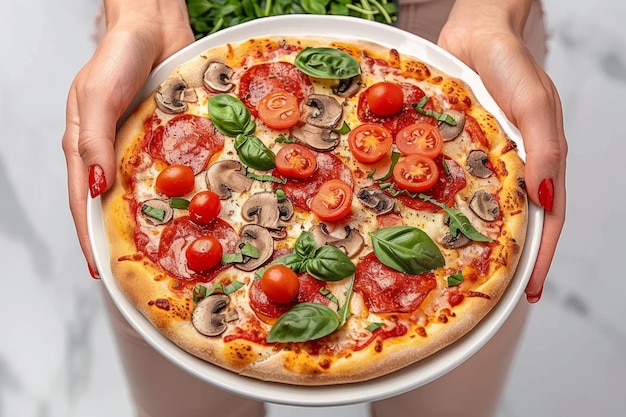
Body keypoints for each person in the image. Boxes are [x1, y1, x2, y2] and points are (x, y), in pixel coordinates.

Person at [61, 0, 567, 416]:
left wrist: (492, 18)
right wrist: (141, 15)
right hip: (173, 32)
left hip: (456, 26)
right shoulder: (156, 188)